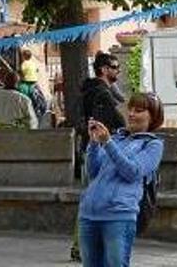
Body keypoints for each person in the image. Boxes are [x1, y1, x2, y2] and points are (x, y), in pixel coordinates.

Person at [77, 92, 165, 267]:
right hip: (89, 214)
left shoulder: (153, 144)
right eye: (130, 109)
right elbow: (93, 172)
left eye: (139, 110)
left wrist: (108, 144)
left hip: (118, 215)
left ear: (152, 116)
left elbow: (133, 172)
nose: (131, 114)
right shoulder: (117, 138)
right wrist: (94, 143)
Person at [73, 51, 128, 261]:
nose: (118, 70)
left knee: (89, 198)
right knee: (94, 199)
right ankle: (83, 246)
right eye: (115, 67)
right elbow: (119, 122)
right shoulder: (102, 93)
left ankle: (80, 245)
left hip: (89, 147)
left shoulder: (91, 90)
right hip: (100, 150)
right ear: (104, 69)